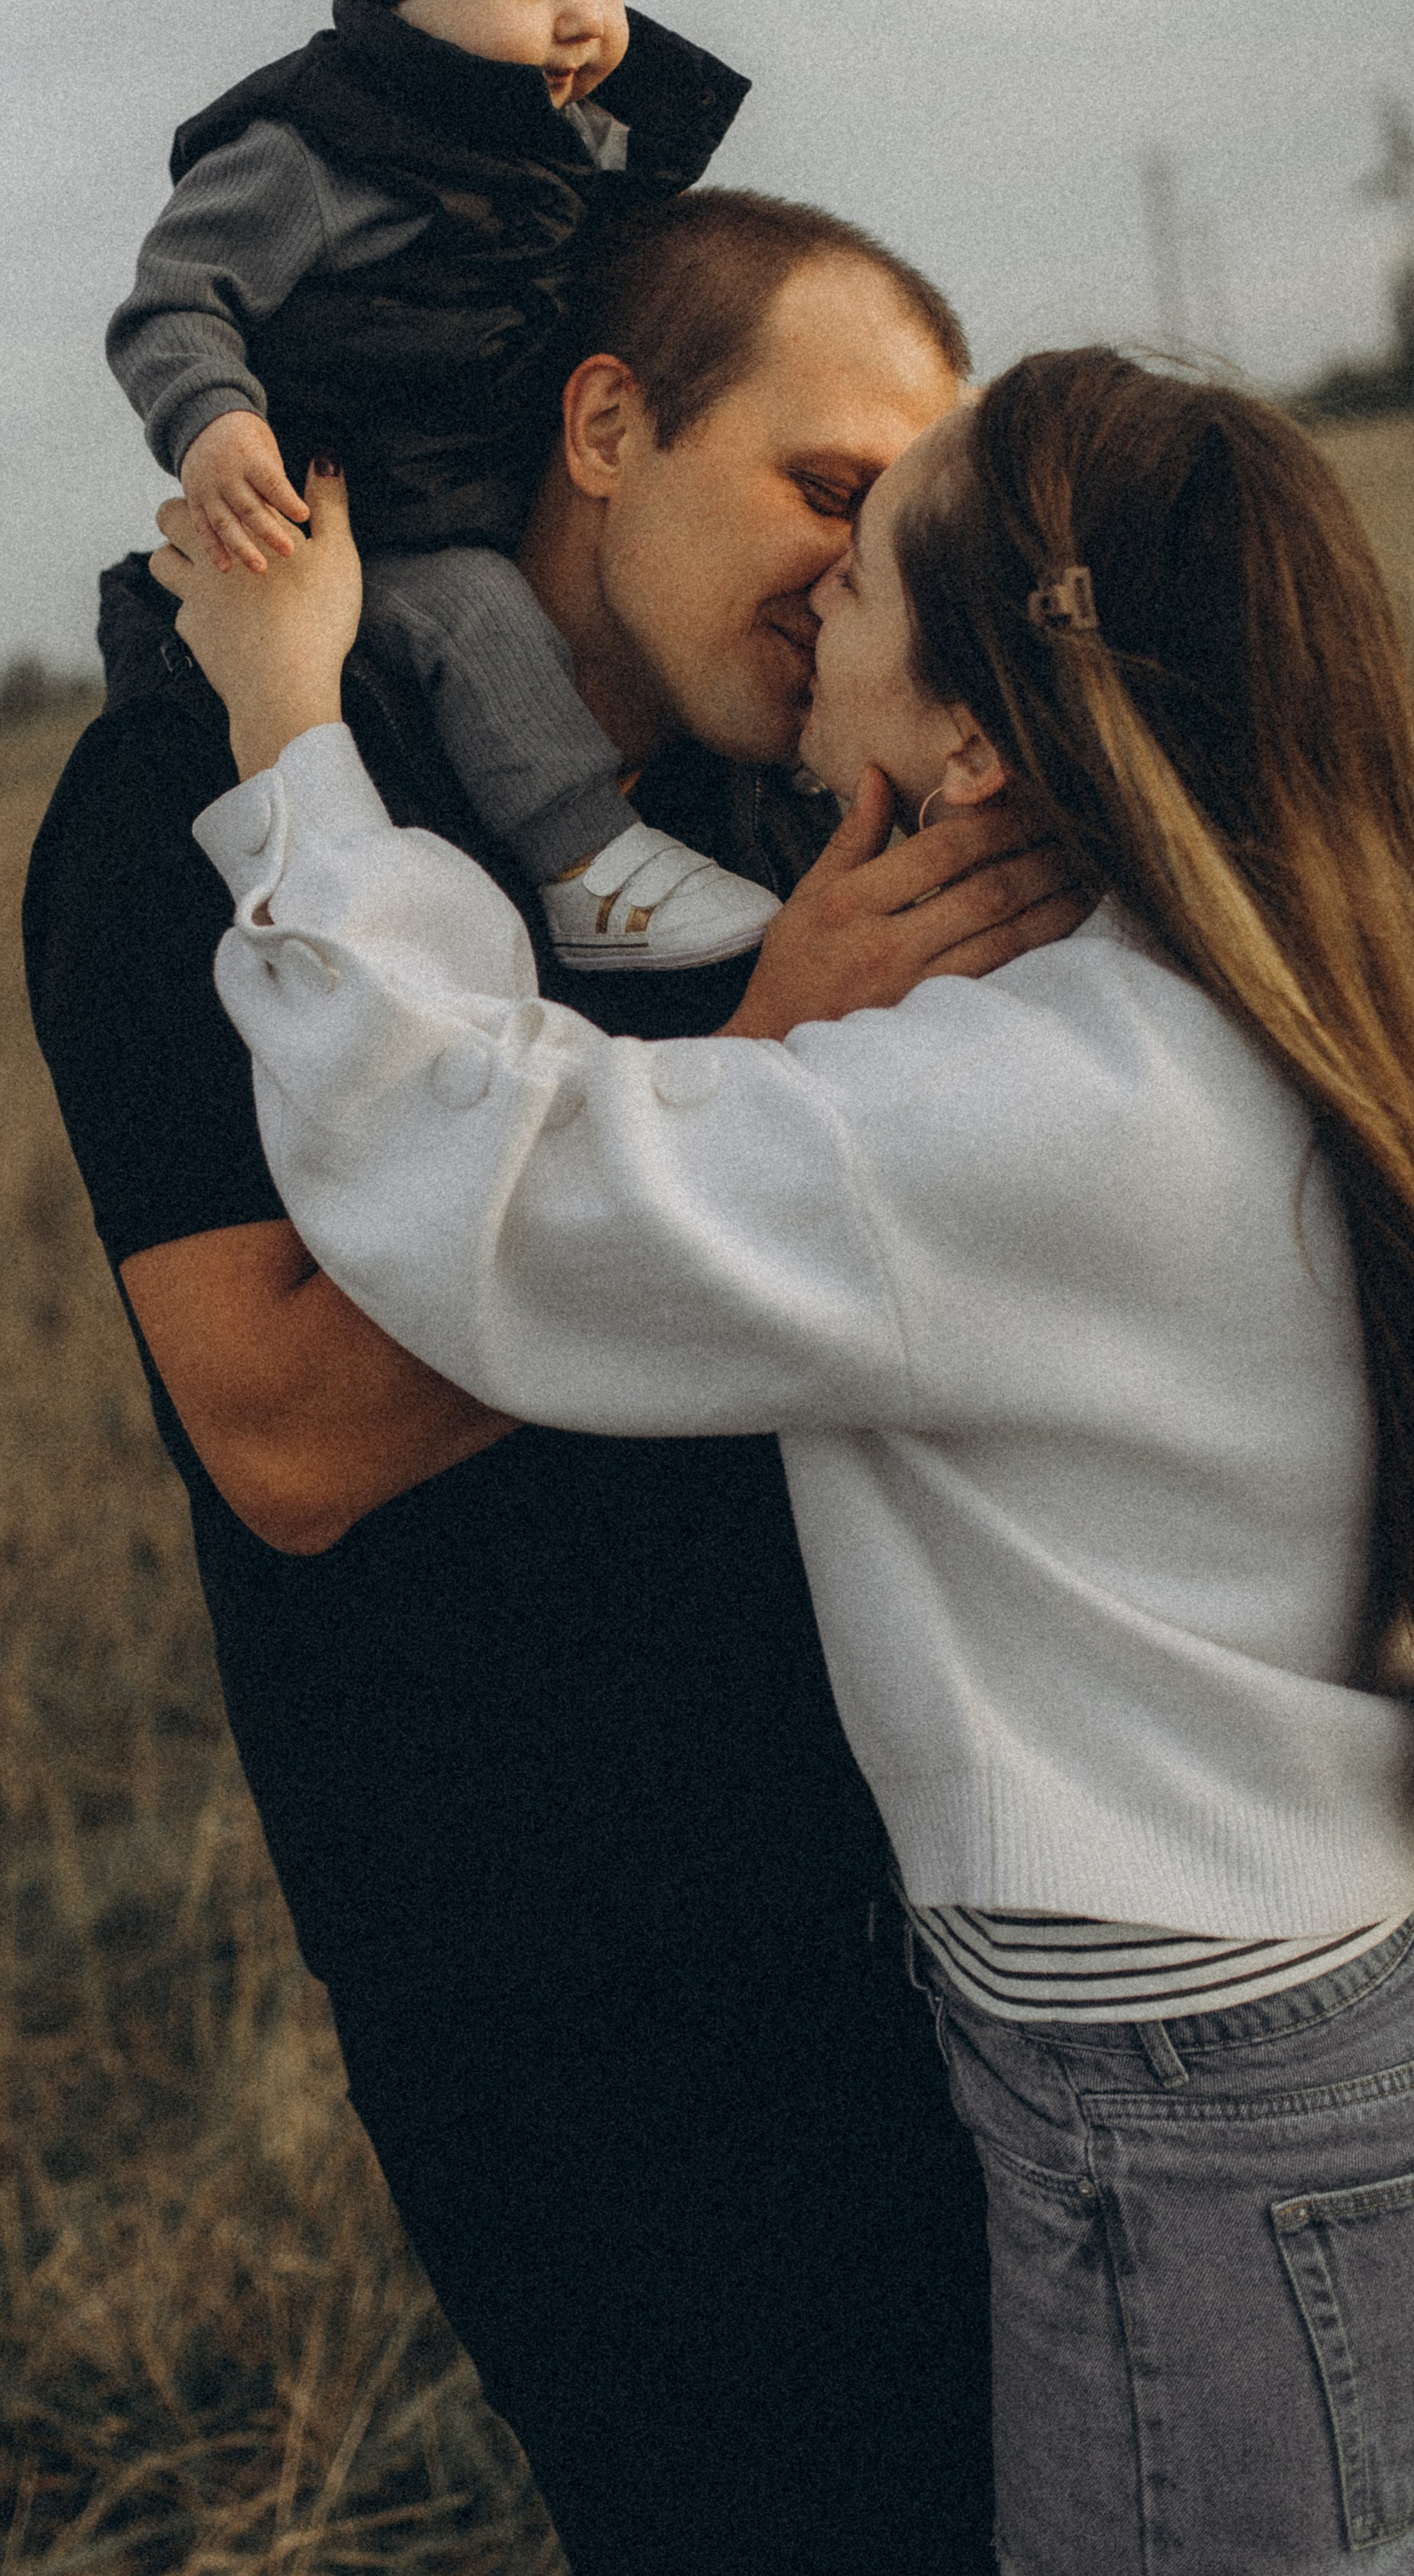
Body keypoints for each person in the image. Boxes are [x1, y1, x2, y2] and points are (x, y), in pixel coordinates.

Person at [162, 344, 1414, 2576]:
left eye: (871, 565)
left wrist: (291, 741)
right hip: (1296, 2019)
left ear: (968, 739)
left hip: (1184, 2114)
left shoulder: (1041, 1107)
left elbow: (497, 1192)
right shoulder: (1253, 977)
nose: (813, 588)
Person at [27, 188, 1092, 2574]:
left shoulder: (793, 801)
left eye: (904, 519)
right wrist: (768, 1057)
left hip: (941, 1889)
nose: (857, 569)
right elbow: (286, 1431)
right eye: (826, 487)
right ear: (608, 423)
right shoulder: (190, 811)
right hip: (567, 1977)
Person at [108, 0, 784, 973]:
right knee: (479, 614)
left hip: (505, 475)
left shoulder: (577, 144)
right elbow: (172, 305)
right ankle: (588, 864)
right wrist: (216, 427)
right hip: (361, 523)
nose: (585, 22)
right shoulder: (311, 156)